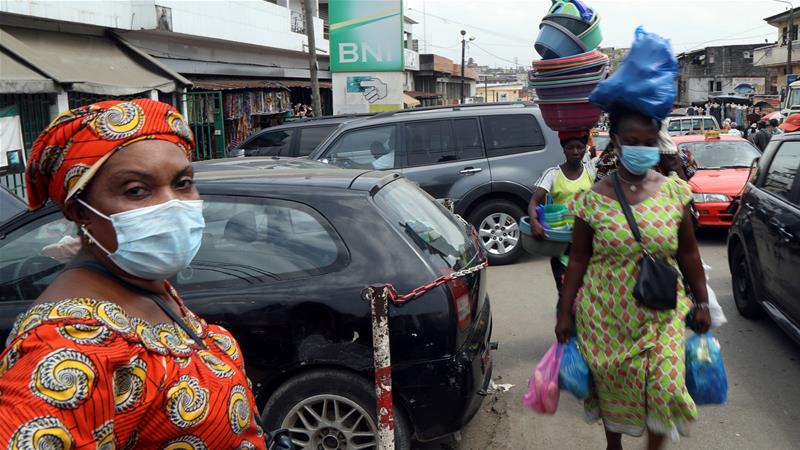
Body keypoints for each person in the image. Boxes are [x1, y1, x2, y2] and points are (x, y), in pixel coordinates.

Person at [0, 99, 267, 448]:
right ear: (79, 211)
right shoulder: (66, 345)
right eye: (136, 191)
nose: (171, 205)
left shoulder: (148, 287)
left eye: (183, 183)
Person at [555, 106, 711, 450]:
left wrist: (701, 301)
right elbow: (578, 258)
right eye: (631, 141)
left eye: (648, 141)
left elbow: (688, 253)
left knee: (667, 387)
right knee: (612, 386)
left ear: (658, 143)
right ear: (616, 142)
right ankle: (614, 444)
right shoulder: (592, 200)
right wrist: (564, 312)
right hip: (605, 314)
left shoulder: (674, 192)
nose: (640, 148)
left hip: (661, 311)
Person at [528, 131, 595, 296]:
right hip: (561, 243)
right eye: (570, 147)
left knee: (589, 290)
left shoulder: (591, 171)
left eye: (579, 147)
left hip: (588, 240)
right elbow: (534, 201)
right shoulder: (553, 173)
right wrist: (534, 221)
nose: (575, 151)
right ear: (563, 150)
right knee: (565, 290)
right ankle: (566, 316)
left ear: (585, 148)